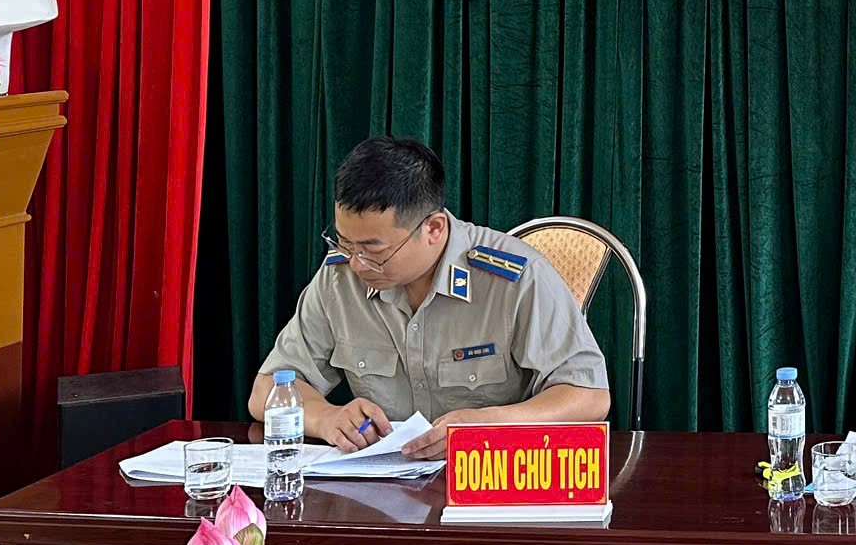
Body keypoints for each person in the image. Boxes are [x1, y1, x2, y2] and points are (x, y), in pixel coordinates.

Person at [248, 136, 609, 459]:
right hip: (383, 486)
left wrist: (489, 424)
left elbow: (589, 395)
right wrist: (327, 418)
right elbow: (267, 390)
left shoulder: (513, 278)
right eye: (344, 242)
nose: (356, 263)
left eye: (374, 249)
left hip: (489, 476)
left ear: (434, 228)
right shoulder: (338, 278)